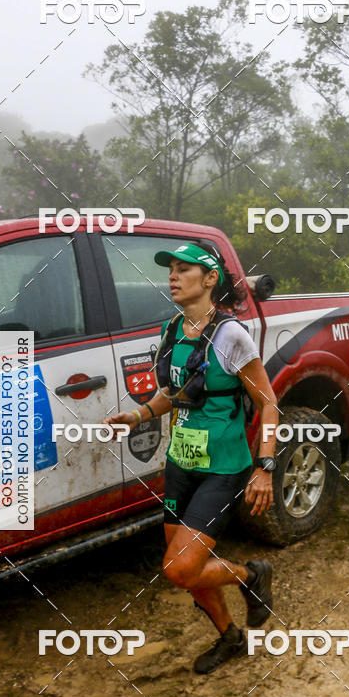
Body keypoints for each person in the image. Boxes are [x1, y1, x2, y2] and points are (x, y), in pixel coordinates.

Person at [104, 243, 279, 674]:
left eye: (184, 269)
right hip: (181, 464)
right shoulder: (172, 329)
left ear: (210, 279)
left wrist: (264, 468)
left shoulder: (231, 336)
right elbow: (176, 393)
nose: (173, 276)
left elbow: (269, 404)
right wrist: (138, 415)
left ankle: (251, 576)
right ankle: (230, 636)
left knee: (180, 570)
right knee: (189, 566)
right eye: (171, 270)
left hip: (223, 468)